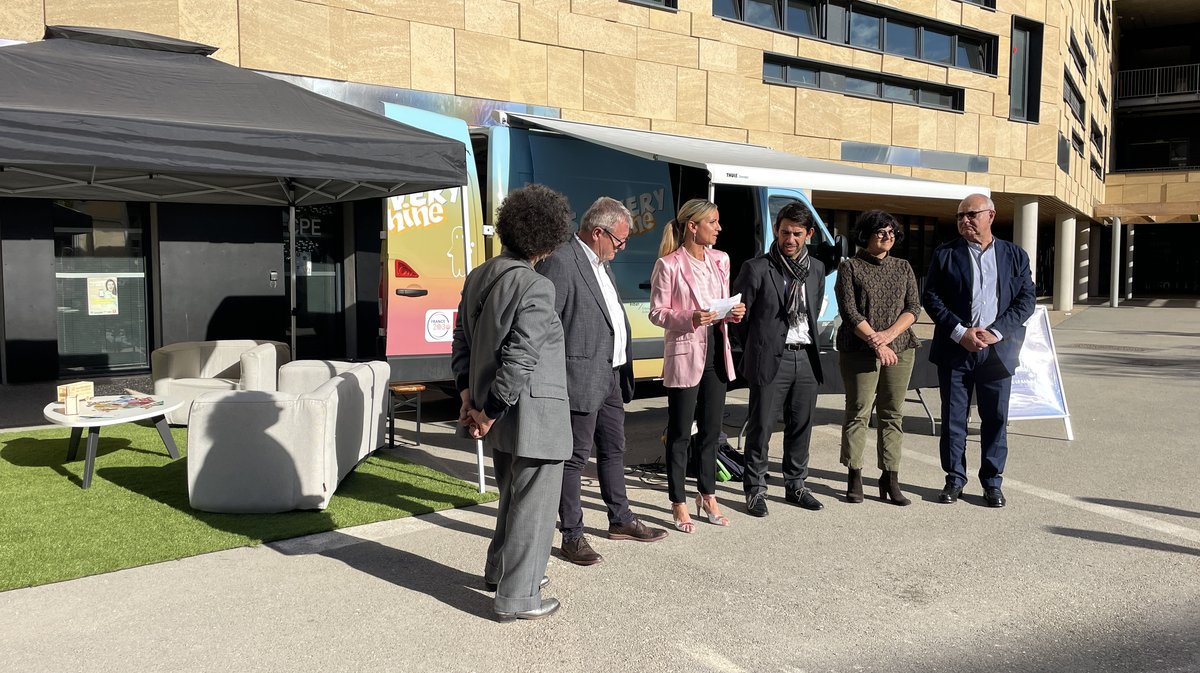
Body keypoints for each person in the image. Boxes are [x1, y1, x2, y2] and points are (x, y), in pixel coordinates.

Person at [450, 183, 573, 621]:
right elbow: (521, 357)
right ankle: (518, 598)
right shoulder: (535, 286)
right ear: (548, 238)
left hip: (496, 411)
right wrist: (488, 409)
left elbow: (461, 340)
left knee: (511, 500)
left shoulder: (480, 274)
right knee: (534, 508)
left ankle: (499, 571)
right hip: (531, 414)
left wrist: (470, 397)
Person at [536, 196, 668, 566]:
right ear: (598, 232)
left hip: (611, 372)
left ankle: (620, 519)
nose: (622, 248)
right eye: (619, 240)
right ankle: (572, 535)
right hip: (579, 376)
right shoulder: (562, 261)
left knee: (615, 448)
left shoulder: (599, 261)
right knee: (575, 459)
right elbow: (547, 324)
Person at [922, 193, 1035, 508]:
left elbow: (1026, 300)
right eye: (960, 216)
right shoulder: (945, 255)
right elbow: (931, 297)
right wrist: (960, 332)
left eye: (971, 214)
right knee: (954, 418)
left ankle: (992, 483)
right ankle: (954, 479)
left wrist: (996, 332)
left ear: (991, 216)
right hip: (956, 350)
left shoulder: (1014, 255)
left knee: (995, 418)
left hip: (998, 351)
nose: (964, 221)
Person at [649, 198, 745, 533]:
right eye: (713, 222)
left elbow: (723, 304)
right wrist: (688, 317)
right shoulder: (669, 264)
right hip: (686, 353)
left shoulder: (722, 260)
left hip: (717, 351)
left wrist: (733, 313)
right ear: (693, 226)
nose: (719, 228)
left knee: (711, 432)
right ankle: (678, 501)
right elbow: (657, 313)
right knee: (679, 434)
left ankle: (708, 494)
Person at [731, 201, 825, 517]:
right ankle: (755, 490)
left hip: (806, 356)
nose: (790, 239)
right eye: (785, 232)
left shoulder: (817, 269)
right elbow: (739, 319)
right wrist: (756, 349)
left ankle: (796, 485)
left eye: (797, 233)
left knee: (801, 425)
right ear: (776, 230)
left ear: (809, 234)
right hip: (772, 358)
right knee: (762, 426)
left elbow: (812, 310)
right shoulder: (756, 268)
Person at [834, 210, 922, 506]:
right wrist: (876, 341)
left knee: (892, 414)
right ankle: (854, 475)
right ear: (866, 235)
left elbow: (913, 307)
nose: (888, 237)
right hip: (859, 349)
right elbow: (849, 311)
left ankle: (890, 477)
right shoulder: (850, 267)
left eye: (892, 233)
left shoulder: (903, 266)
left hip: (900, 348)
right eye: (881, 232)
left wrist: (889, 336)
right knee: (858, 411)